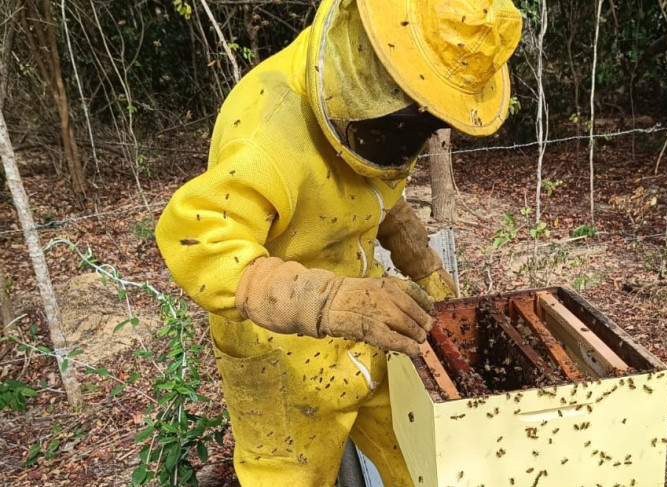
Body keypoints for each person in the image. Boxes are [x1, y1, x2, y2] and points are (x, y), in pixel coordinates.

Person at [154, 0, 522, 485]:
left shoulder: (386, 117)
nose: (410, 134)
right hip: (280, 356)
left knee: (426, 459)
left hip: (371, 331)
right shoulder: (270, 127)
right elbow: (200, 240)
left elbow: (375, 194)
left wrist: (423, 266)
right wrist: (331, 300)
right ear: (374, 62)